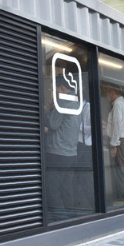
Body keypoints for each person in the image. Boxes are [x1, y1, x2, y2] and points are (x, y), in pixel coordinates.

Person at [45, 80, 81, 210]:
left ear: (61, 87)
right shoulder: (77, 103)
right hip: (72, 152)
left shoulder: (62, 102)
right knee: (67, 187)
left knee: (52, 188)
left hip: (58, 152)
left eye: (55, 89)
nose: (54, 92)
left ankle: (60, 216)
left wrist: (47, 110)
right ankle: (70, 215)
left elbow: (52, 124)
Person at [104, 85, 124, 203]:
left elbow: (118, 125)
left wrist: (114, 145)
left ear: (112, 92)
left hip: (121, 141)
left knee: (122, 172)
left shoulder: (117, 104)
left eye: (108, 94)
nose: (107, 97)